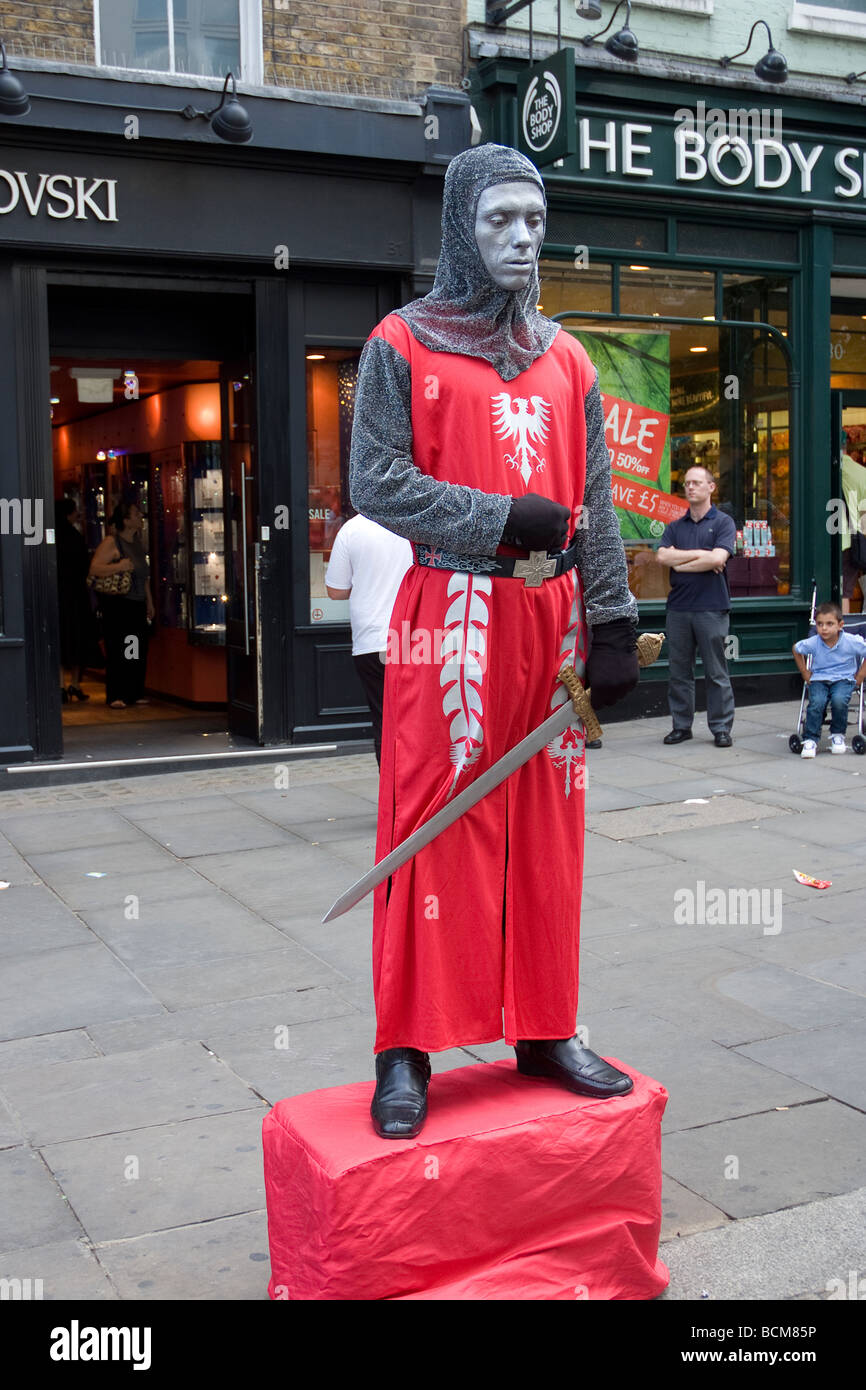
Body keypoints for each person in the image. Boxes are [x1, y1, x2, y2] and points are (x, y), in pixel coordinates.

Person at [349, 143, 640, 1140]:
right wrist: (497, 516)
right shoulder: (401, 343)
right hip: (449, 623)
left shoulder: (568, 360)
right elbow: (374, 480)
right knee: (431, 831)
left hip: (549, 624)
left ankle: (542, 1029)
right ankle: (406, 1048)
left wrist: (613, 618)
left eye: (533, 219)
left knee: (547, 833)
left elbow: (596, 501)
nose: (521, 238)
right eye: (498, 221)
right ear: (459, 230)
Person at [655, 466, 737, 747]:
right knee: (679, 672)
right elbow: (663, 558)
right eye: (687, 483)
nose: (690, 487)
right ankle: (681, 726)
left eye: (697, 483)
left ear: (711, 487)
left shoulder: (724, 523)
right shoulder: (675, 527)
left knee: (716, 671)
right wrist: (702, 555)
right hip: (678, 608)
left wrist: (684, 561)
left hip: (712, 607)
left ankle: (721, 728)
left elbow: (718, 560)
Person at [325, 514, 413, 766]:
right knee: (419, 721)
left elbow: (336, 590)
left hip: (372, 638)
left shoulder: (352, 529)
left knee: (384, 721)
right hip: (418, 637)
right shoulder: (417, 522)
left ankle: (392, 799)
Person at [89, 500, 154, 709]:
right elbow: (95, 569)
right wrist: (119, 565)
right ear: (126, 520)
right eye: (136, 514)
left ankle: (134, 692)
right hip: (118, 604)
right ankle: (116, 694)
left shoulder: (138, 543)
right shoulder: (112, 542)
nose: (140, 516)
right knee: (118, 648)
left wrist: (149, 603)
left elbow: (144, 577)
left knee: (134, 648)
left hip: (136, 604)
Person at [793, 601, 866, 757]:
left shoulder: (851, 641)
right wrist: (805, 672)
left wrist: (860, 675)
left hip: (844, 678)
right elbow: (796, 649)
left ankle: (838, 735)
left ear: (840, 625)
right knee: (817, 702)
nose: (824, 628)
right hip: (819, 678)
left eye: (829, 624)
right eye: (820, 624)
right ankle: (810, 739)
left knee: (839, 700)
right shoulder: (814, 642)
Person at [54, 498, 95, 703]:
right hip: (77, 595)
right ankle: (75, 683)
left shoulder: (50, 536)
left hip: (58, 595)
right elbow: (84, 566)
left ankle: (60, 684)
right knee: (78, 638)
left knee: (60, 639)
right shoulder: (76, 536)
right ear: (69, 513)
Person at [840, 444, 866, 614]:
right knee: (843, 594)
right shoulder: (860, 473)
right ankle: (842, 635)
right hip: (849, 543)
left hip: (819, 542)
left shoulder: (818, 469)